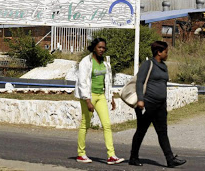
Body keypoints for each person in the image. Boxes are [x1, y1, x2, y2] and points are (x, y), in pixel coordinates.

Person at [129, 41, 186, 168]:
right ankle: (133, 157)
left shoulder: (164, 66)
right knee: (141, 131)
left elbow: (163, 84)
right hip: (147, 104)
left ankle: (170, 159)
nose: (167, 54)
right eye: (166, 52)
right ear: (159, 52)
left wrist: (164, 102)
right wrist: (140, 99)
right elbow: (139, 82)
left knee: (162, 132)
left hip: (160, 105)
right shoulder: (148, 64)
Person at [74, 37, 124, 165]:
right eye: (99, 47)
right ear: (94, 48)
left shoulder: (105, 62)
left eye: (103, 48)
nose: (102, 50)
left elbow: (108, 81)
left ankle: (111, 155)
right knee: (85, 124)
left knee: (107, 125)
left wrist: (111, 97)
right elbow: (82, 82)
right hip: (89, 96)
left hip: (101, 95)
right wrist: (87, 100)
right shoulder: (86, 62)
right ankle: (81, 154)